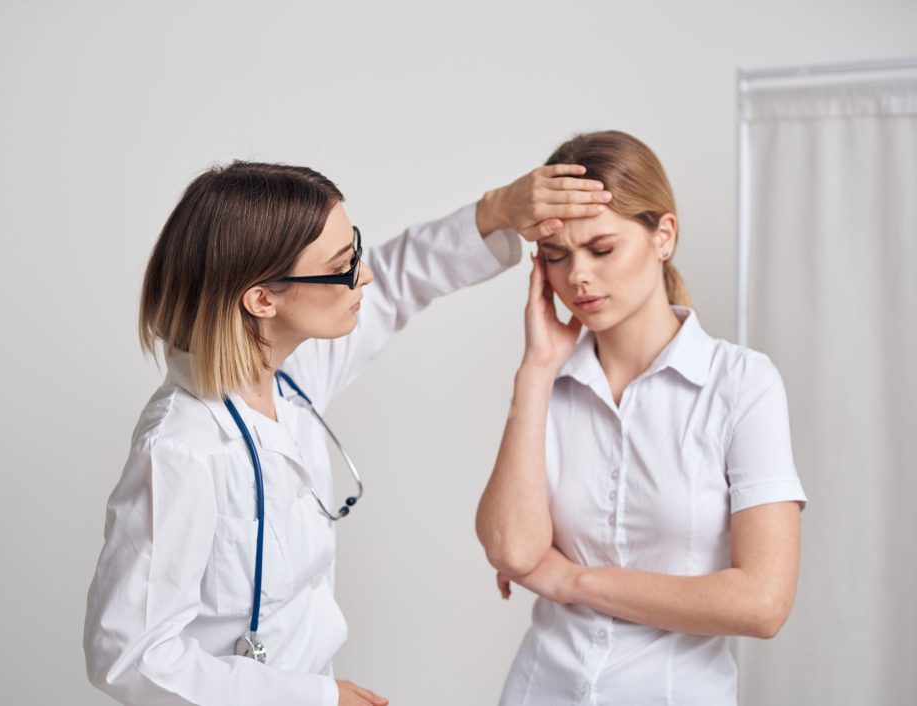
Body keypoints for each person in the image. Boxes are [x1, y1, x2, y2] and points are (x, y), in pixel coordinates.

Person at [83, 159, 612, 706]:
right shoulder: (181, 446)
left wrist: (498, 210)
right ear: (263, 299)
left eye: (354, 248)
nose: (364, 274)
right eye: (343, 266)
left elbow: (400, 281)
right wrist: (312, 698)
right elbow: (129, 656)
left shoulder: (290, 377)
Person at [476, 130, 807, 706]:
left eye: (601, 250)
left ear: (664, 236)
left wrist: (573, 580)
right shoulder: (547, 385)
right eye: (556, 257)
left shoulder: (741, 385)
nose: (577, 277)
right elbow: (511, 549)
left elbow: (761, 603)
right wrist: (534, 372)